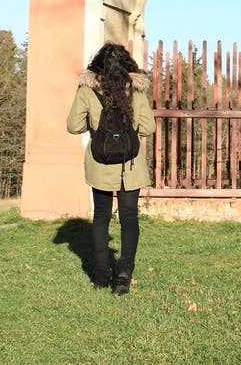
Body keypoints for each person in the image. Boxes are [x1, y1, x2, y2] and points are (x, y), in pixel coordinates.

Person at [67, 43, 156, 294]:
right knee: (129, 219)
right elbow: (148, 128)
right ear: (128, 66)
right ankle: (124, 274)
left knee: (101, 217)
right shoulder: (136, 92)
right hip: (130, 165)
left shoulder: (87, 90)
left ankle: (101, 274)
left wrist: (94, 126)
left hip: (100, 162)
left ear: (98, 65)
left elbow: (73, 126)